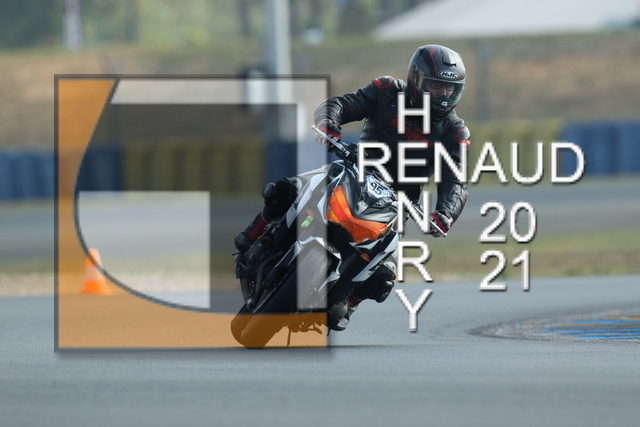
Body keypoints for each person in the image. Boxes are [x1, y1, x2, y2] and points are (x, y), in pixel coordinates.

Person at [234, 44, 470, 330]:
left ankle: (346, 299)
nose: (443, 94)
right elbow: (342, 105)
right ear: (416, 79)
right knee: (281, 191)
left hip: (397, 205)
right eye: (435, 85)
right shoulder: (386, 91)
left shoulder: (455, 133)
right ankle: (254, 237)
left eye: (449, 88)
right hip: (352, 170)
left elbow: (455, 180)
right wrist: (328, 122)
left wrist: (444, 213)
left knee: (383, 280)